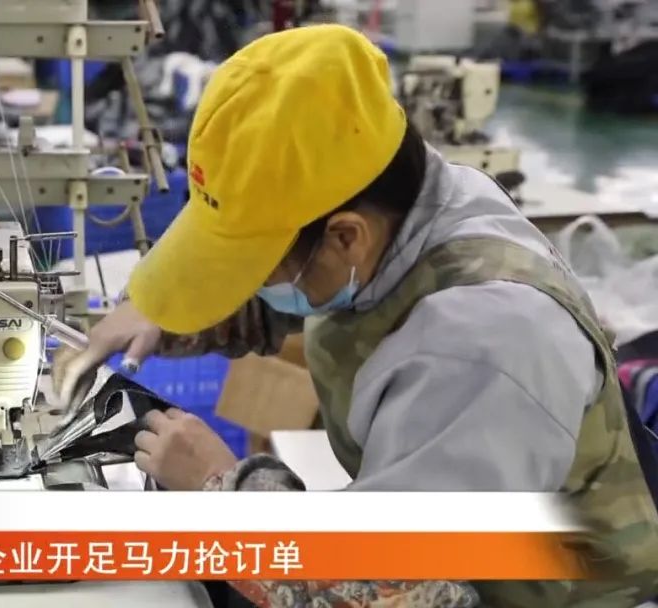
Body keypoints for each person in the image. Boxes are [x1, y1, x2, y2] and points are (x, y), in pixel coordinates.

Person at [52, 24, 658, 608]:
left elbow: (395, 592)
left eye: (257, 267)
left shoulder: (482, 344)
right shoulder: (409, 201)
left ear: (345, 237)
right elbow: (318, 289)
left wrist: (221, 489)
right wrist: (176, 313)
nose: (257, 284)